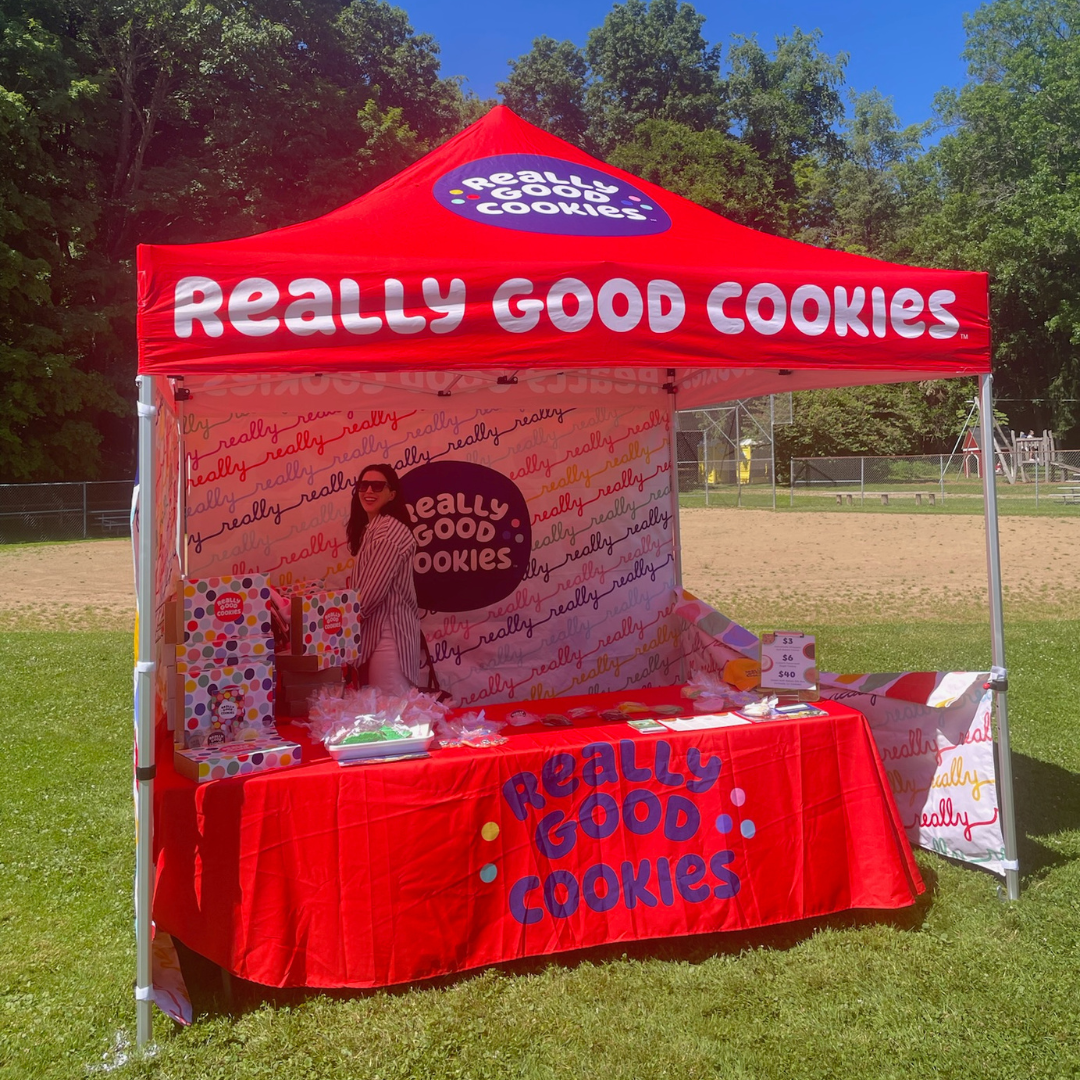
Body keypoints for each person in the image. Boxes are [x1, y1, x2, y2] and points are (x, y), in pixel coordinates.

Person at [345, 464, 420, 695]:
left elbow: (372, 592)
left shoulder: (388, 532)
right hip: (375, 635)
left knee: (391, 717)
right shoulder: (374, 529)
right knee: (381, 715)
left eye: (377, 486)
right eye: (363, 485)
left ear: (392, 494)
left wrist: (341, 625)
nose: (369, 491)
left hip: (388, 636)